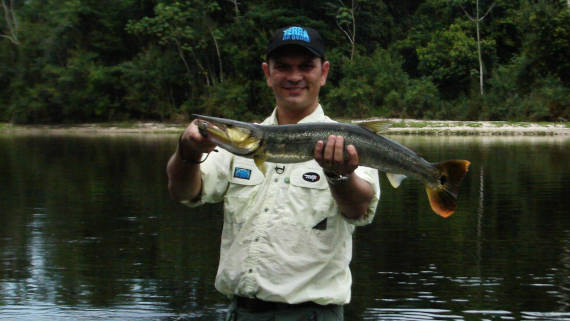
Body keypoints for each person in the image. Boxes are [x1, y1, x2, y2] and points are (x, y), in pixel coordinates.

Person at [166, 26, 380, 321]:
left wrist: (338, 175)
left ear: (324, 72)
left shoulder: (344, 141)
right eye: (283, 67)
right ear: (268, 73)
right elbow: (183, 192)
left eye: (306, 66)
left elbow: (359, 209)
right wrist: (187, 152)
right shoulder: (235, 146)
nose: (294, 77)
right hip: (239, 313)